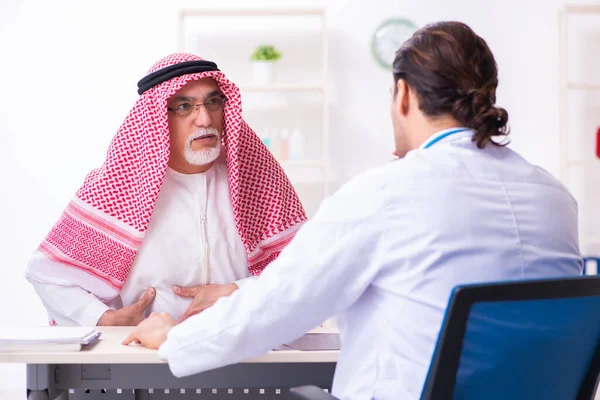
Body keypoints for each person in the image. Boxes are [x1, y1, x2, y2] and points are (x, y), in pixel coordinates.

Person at [124, 22, 583, 400]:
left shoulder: (384, 194)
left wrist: (175, 338)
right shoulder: (555, 198)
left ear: (402, 96)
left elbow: (279, 306)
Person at [25, 53, 307, 327]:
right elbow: (48, 274)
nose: (205, 119)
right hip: (140, 364)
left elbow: (306, 270)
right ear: (157, 118)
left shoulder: (256, 181)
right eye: (185, 106)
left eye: (213, 103)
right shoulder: (119, 190)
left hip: (242, 359)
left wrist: (237, 290)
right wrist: (102, 318)